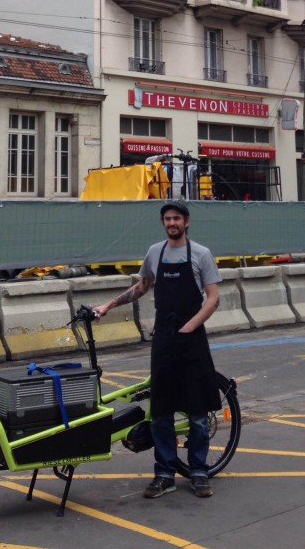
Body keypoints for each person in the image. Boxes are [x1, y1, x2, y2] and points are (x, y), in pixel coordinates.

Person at [94, 200, 221, 499]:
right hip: (163, 339)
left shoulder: (201, 254)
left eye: (177, 218)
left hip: (191, 340)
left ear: (186, 222)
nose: (172, 223)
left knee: (197, 412)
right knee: (160, 410)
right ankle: (164, 474)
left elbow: (213, 298)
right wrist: (108, 305)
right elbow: (141, 287)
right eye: (167, 219)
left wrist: (190, 327)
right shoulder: (155, 252)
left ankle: (199, 471)